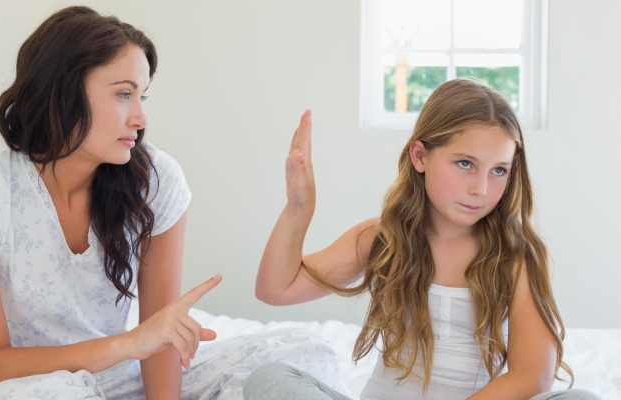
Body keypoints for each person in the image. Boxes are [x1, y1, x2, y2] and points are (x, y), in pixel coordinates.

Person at [0, 6, 224, 399]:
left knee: (296, 356)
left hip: (121, 378)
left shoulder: (155, 180)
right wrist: (127, 344)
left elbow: (161, 337)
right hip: (26, 388)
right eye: (123, 94)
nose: (139, 117)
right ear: (63, 93)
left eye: (141, 95)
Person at [244, 79, 602, 400]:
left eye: (498, 171)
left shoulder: (517, 257)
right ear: (420, 156)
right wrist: (299, 208)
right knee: (269, 379)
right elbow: (276, 290)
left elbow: (533, 375)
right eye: (465, 163)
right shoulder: (381, 237)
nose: (480, 188)